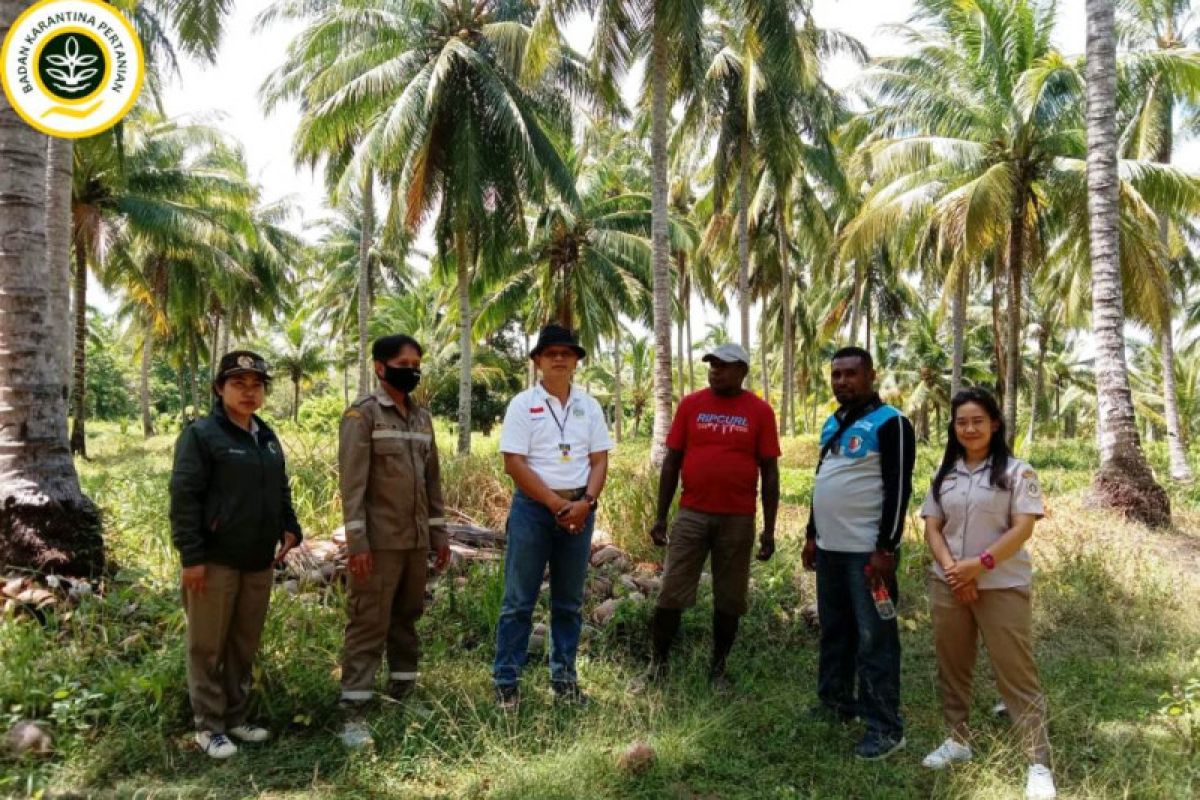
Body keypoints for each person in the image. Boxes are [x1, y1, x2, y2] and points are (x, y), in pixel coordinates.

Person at [919, 388, 1056, 800]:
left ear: (994, 423)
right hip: (949, 585)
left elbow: (1022, 528)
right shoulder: (945, 473)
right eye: (961, 421)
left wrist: (978, 566)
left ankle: (1038, 762)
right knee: (953, 666)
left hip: (1001, 585)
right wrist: (953, 572)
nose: (969, 428)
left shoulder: (1017, 472)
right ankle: (958, 739)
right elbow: (931, 527)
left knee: (1016, 673)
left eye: (978, 420)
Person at [169, 351, 302, 760]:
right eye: (238, 383)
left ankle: (236, 717)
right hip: (214, 561)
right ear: (219, 388)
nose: (248, 391)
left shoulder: (265, 434)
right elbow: (184, 497)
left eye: (256, 384)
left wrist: (291, 525)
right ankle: (209, 727)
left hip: (258, 560)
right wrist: (191, 557)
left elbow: (279, 488)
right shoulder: (203, 434)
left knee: (243, 644)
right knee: (207, 646)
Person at [640, 343, 780, 692]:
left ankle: (718, 670)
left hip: (738, 519)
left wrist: (769, 530)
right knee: (671, 593)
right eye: (712, 364)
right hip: (692, 516)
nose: (715, 370)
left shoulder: (760, 412)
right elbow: (671, 461)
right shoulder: (691, 405)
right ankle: (657, 667)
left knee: (730, 598)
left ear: (743, 372)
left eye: (724, 365)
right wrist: (660, 517)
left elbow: (771, 472)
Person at [337, 334, 451, 748]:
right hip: (379, 544)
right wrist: (358, 544)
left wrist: (439, 534)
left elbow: (432, 481)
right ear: (381, 367)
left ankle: (403, 695)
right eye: (404, 362)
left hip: (416, 542)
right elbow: (352, 485)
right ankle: (354, 713)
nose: (413, 369)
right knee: (368, 623)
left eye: (417, 362)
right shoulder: (362, 415)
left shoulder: (421, 418)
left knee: (407, 619)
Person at [802, 345, 915, 760]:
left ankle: (886, 727)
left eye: (851, 374)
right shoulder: (834, 422)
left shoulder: (893, 423)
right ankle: (835, 703)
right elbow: (823, 480)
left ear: (871, 376)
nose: (842, 381)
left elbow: (898, 490)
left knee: (875, 639)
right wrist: (813, 534)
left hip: (867, 555)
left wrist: (885, 549)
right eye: (836, 375)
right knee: (836, 631)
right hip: (831, 551)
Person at [493, 324, 612, 710]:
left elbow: (599, 460)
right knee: (518, 601)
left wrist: (586, 503)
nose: (559, 358)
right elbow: (514, 463)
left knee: (568, 603)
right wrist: (553, 504)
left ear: (576, 361)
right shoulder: (521, 404)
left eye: (567, 352)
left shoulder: (589, 406)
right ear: (538, 361)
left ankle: (564, 682)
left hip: (579, 511)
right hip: (533, 511)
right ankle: (506, 683)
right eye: (551, 352)